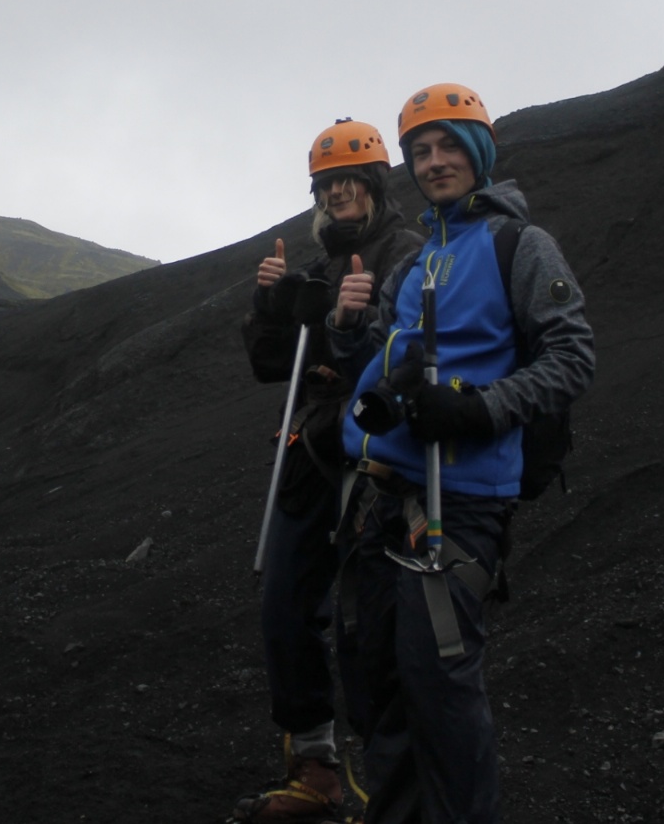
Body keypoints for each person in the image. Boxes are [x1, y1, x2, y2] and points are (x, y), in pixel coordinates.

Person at [329, 84, 594, 824]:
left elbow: (573, 357)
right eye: (420, 151)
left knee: (440, 690)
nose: (434, 162)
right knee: (383, 687)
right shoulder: (417, 261)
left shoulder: (521, 246)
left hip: (460, 502)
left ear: (479, 153)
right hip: (385, 499)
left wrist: (477, 409)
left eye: (449, 146)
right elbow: (373, 360)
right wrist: (346, 329)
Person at [235, 118, 427, 824]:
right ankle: (314, 769)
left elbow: (408, 355)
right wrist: (269, 307)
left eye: (349, 180)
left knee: (366, 626)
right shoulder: (318, 267)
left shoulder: (407, 254)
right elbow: (271, 365)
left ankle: (387, 786)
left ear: (375, 183)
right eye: (325, 185)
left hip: (376, 456)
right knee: (285, 605)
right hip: (312, 451)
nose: (337, 193)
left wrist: (347, 334)